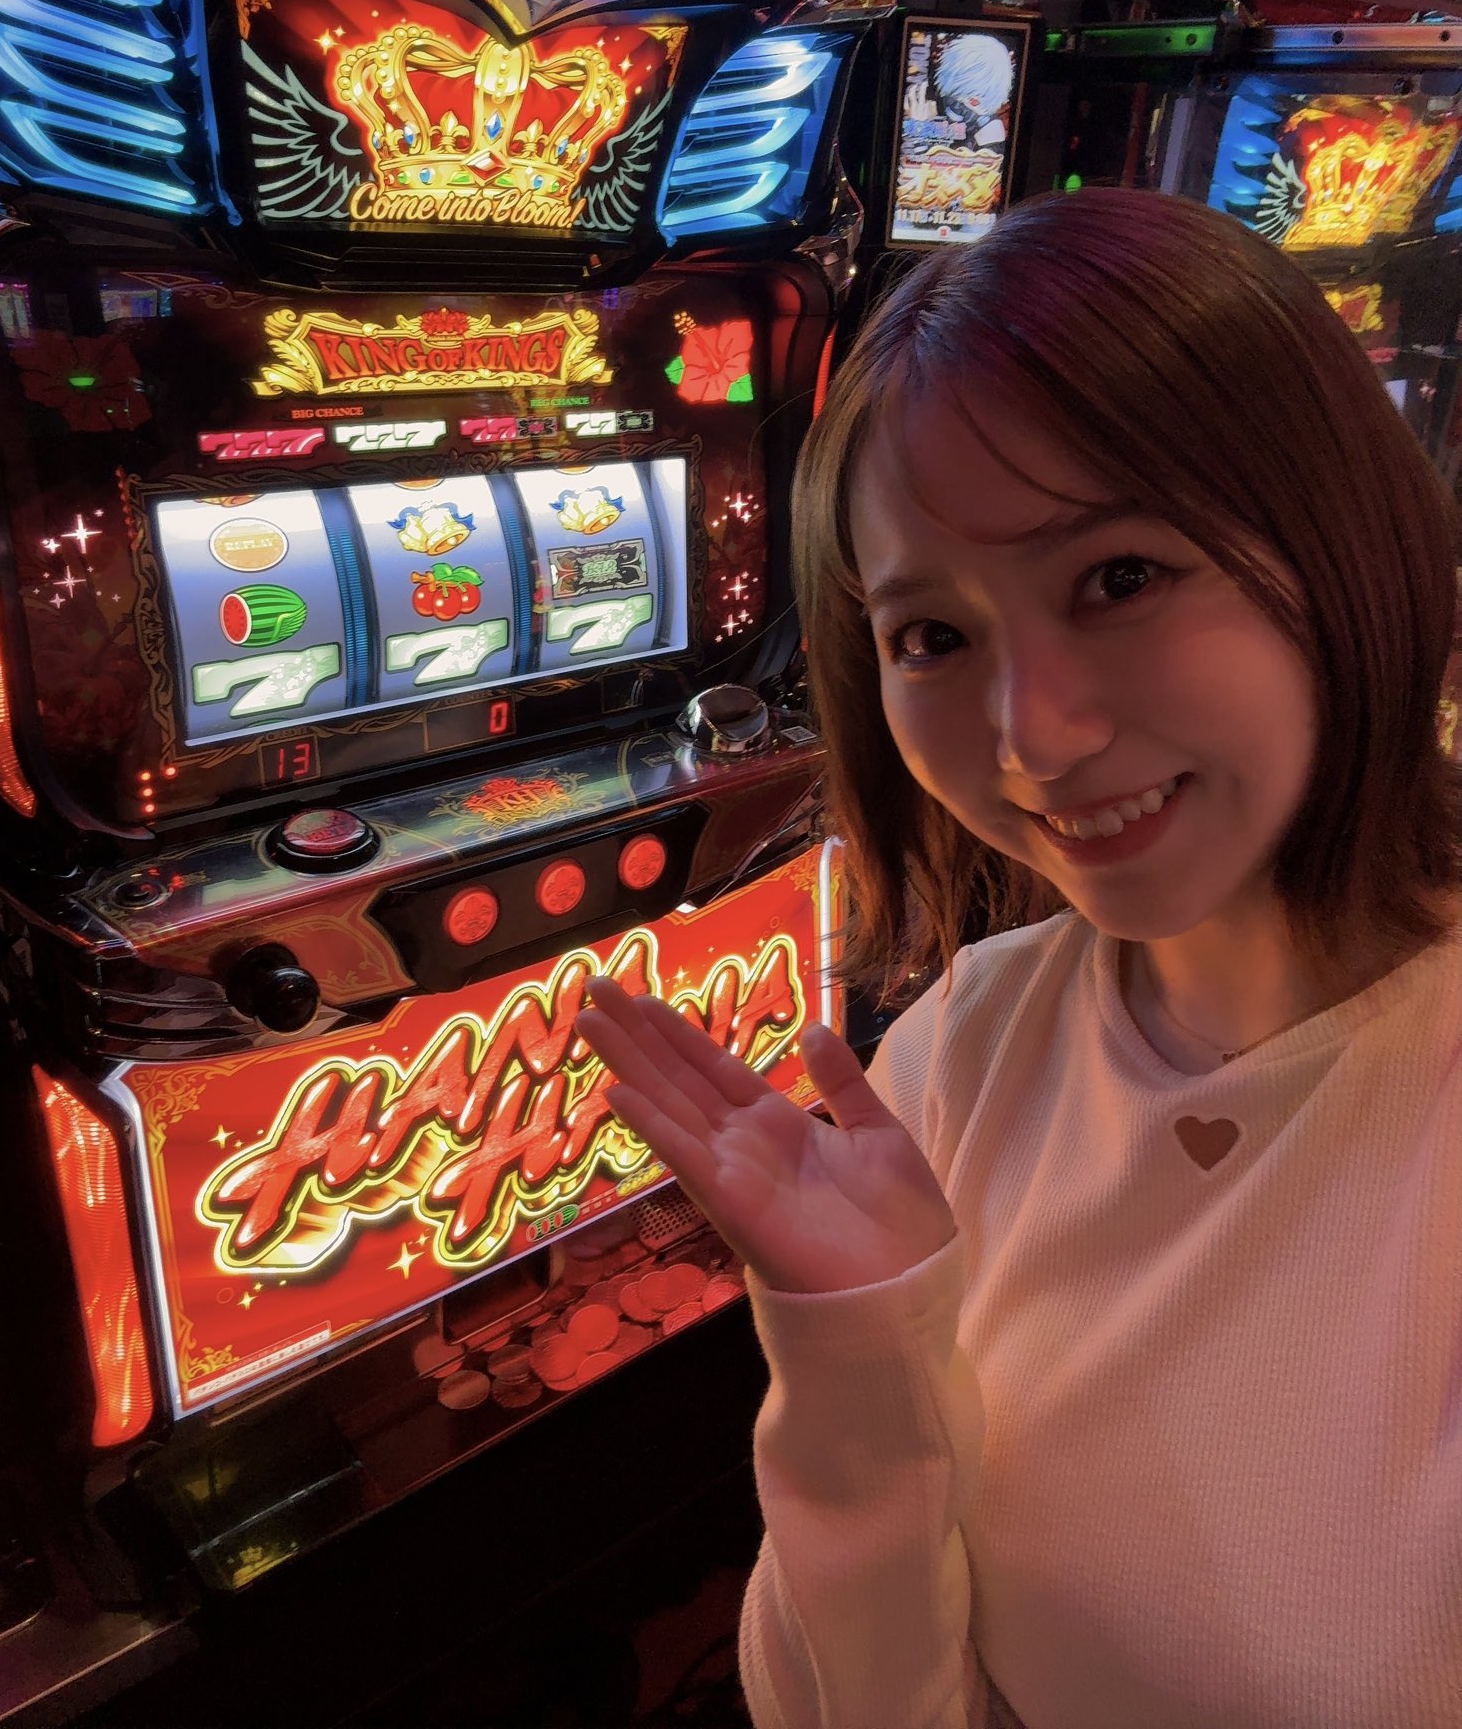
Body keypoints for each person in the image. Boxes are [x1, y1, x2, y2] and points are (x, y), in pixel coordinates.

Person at [577, 187, 1462, 1729]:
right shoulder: (963, 1041)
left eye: (1120, 577)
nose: (1032, 738)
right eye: (931, 636)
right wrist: (859, 1367)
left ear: (1340, 538)